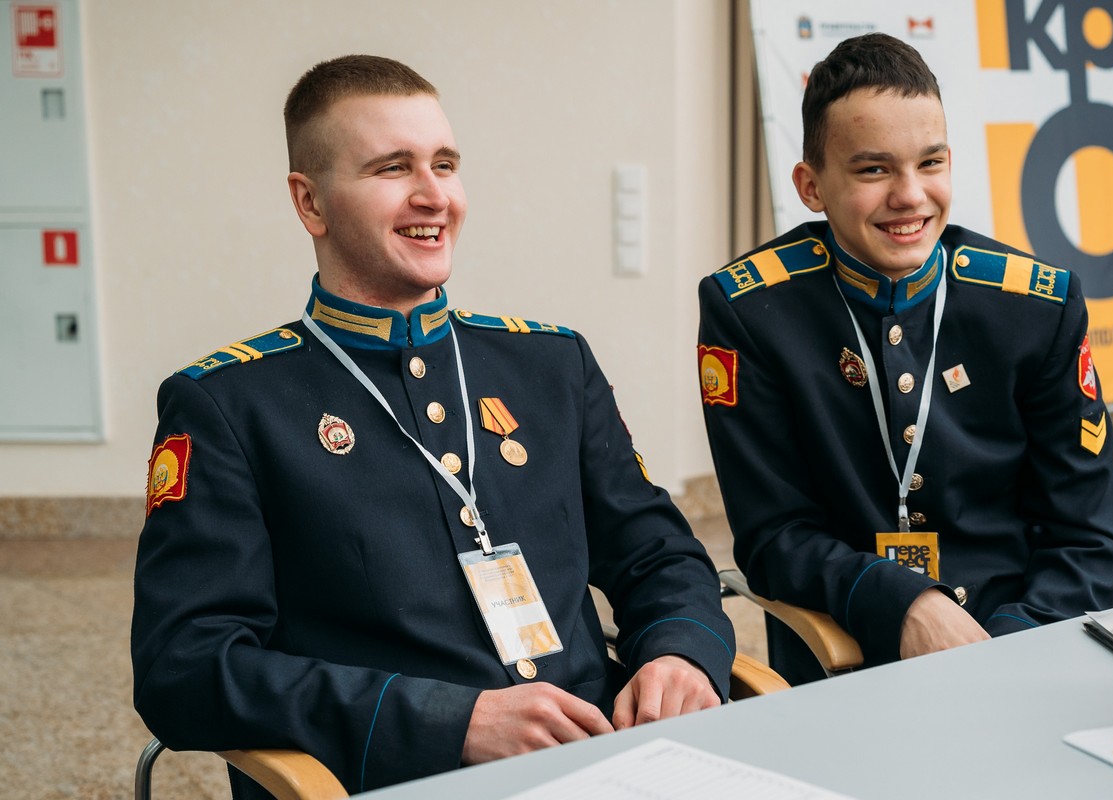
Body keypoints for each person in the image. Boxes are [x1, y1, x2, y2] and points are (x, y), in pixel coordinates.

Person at [132, 55, 735, 797]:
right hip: (392, 776)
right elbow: (184, 667)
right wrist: (449, 722)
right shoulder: (229, 404)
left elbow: (659, 556)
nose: (434, 195)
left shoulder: (550, 364)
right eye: (393, 168)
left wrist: (679, 653)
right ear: (310, 203)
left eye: (444, 164)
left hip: (602, 755)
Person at [697, 33, 1113, 685]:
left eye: (929, 163)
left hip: (1035, 636)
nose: (910, 196)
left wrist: (1008, 648)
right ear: (811, 186)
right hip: (856, 657)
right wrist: (904, 604)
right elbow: (775, 537)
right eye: (873, 171)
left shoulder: (1036, 306)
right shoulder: (751, 310)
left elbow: (1086, 537)